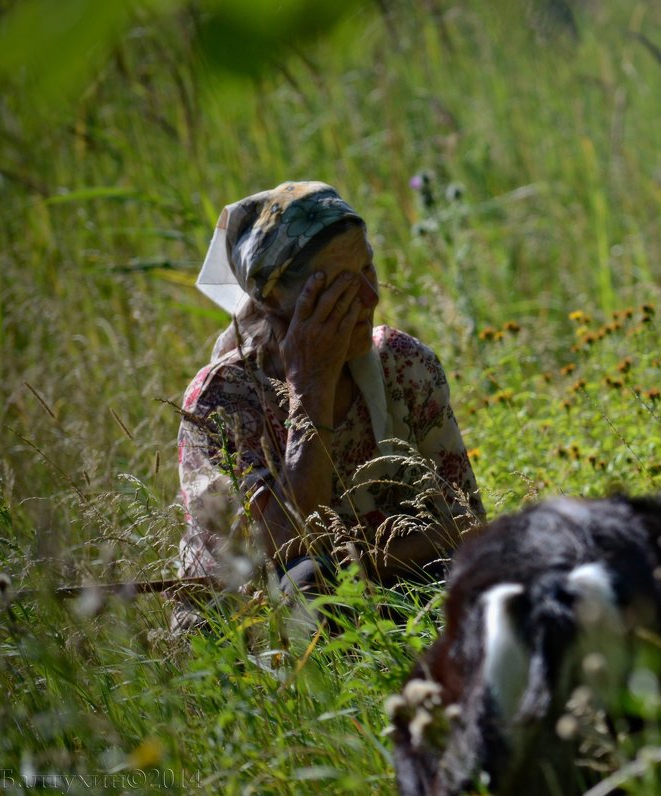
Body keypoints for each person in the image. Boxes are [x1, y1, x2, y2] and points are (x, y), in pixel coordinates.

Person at [174, 181, 484, 630]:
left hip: (399, 593)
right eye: (341, 287)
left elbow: (466, 525)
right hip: (256, 633)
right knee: (311, 587)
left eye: (368, 269)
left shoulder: (405, 367)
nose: (370, 298)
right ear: (278, 302)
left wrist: (359, 560)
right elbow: (280, 552)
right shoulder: (224, 400)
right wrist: (310, 390)